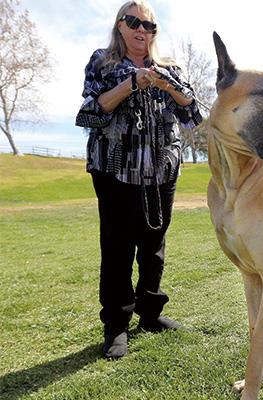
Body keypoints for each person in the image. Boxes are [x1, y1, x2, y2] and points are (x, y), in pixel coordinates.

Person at [75, 0, 202, 359]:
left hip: (161, 171)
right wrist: (131, 84)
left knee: (153, 247)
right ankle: (116, 325)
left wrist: (166, 85)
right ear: (120, 26)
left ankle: (150, 315)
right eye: (134, 22)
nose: (142, 30)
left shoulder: (170, 67)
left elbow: (194, 116)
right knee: (117, 249)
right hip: (115, 170)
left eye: (149, 25)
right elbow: (88, 114)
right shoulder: (103, 62)